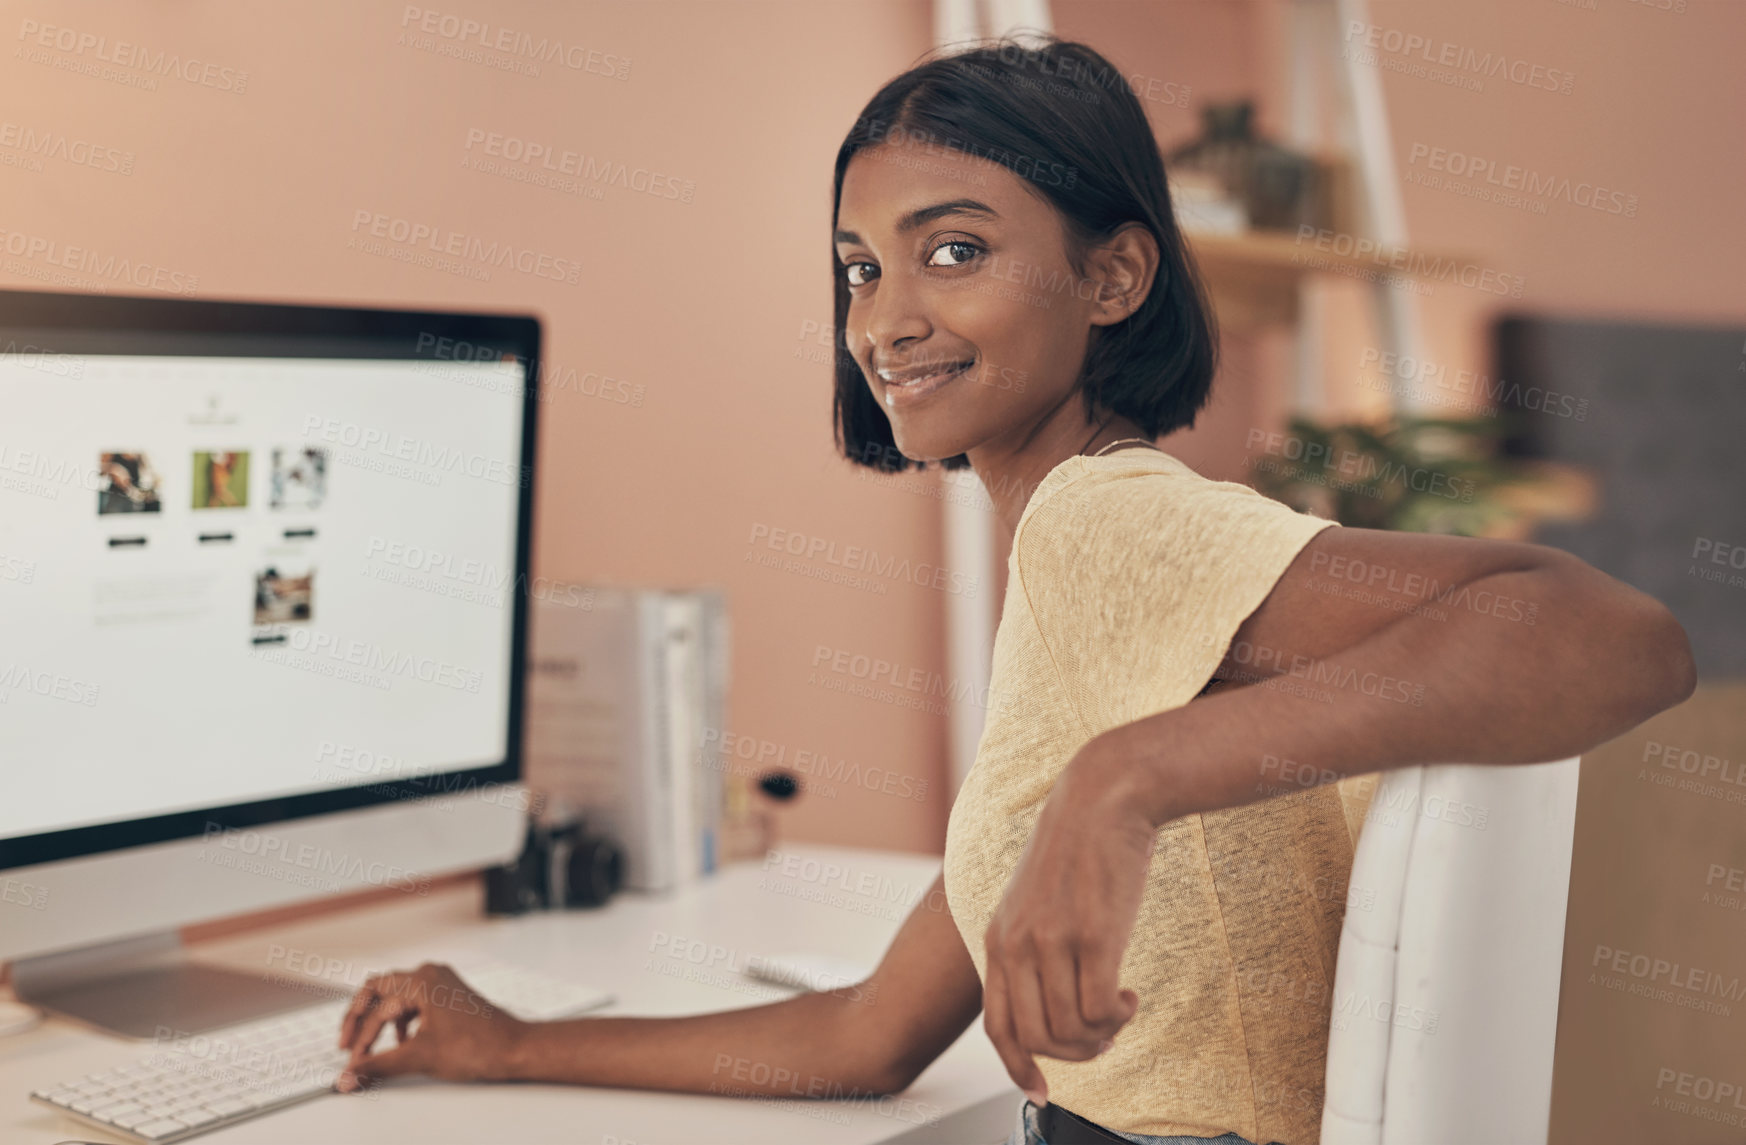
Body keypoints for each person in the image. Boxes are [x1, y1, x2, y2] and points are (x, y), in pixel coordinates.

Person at [333, 36, 1695, 1145]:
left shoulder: (1102, 526)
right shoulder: (1083, 584)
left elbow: (1613, 634)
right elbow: (863, 1036)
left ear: (1113, 274)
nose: (884, 317)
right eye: (859, 267)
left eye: (955, 250)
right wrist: (505, 1040)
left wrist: (1126, 776)